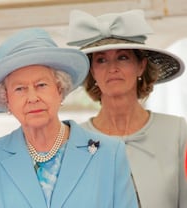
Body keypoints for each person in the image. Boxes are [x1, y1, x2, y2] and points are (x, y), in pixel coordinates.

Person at [0, 28, 138, 208]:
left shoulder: (109, 153)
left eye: (41, 85)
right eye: (20, 89)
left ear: (59, 89)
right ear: (6, 99)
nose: (32, 98)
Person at [67, 9, 187, 208]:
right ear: (92, 72)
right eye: (101, 60)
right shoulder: (74, 140)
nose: (112, 68)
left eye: (122, 57)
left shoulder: (176, 131)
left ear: (141, 66)